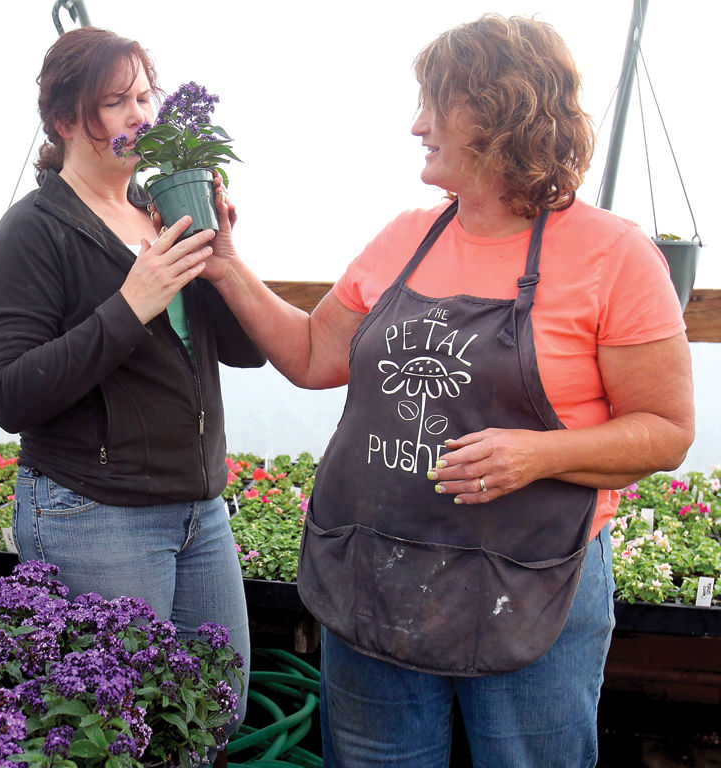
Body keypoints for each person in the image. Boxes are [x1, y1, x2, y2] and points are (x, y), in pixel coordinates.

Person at [199, 14, 695, 768]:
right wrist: (228, 263)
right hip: (375, 581)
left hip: (527, 590)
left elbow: (664, 430)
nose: (416, 125)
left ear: (500, 110)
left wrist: (536, 455)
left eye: (434, 103)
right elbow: (309, 355)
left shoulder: (613, 254)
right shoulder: (406, 235)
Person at [0, 26, 264, 749]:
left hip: (198, 508)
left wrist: (222, 257)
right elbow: (7, 393)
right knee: (120, 729)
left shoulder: (160, 209)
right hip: (94, 514)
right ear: (65, 120)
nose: (140, 115)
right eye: (115, 102)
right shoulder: (30, 233)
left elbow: (242, 352)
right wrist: (130, 303)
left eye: (144, 96)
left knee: (216, 712)